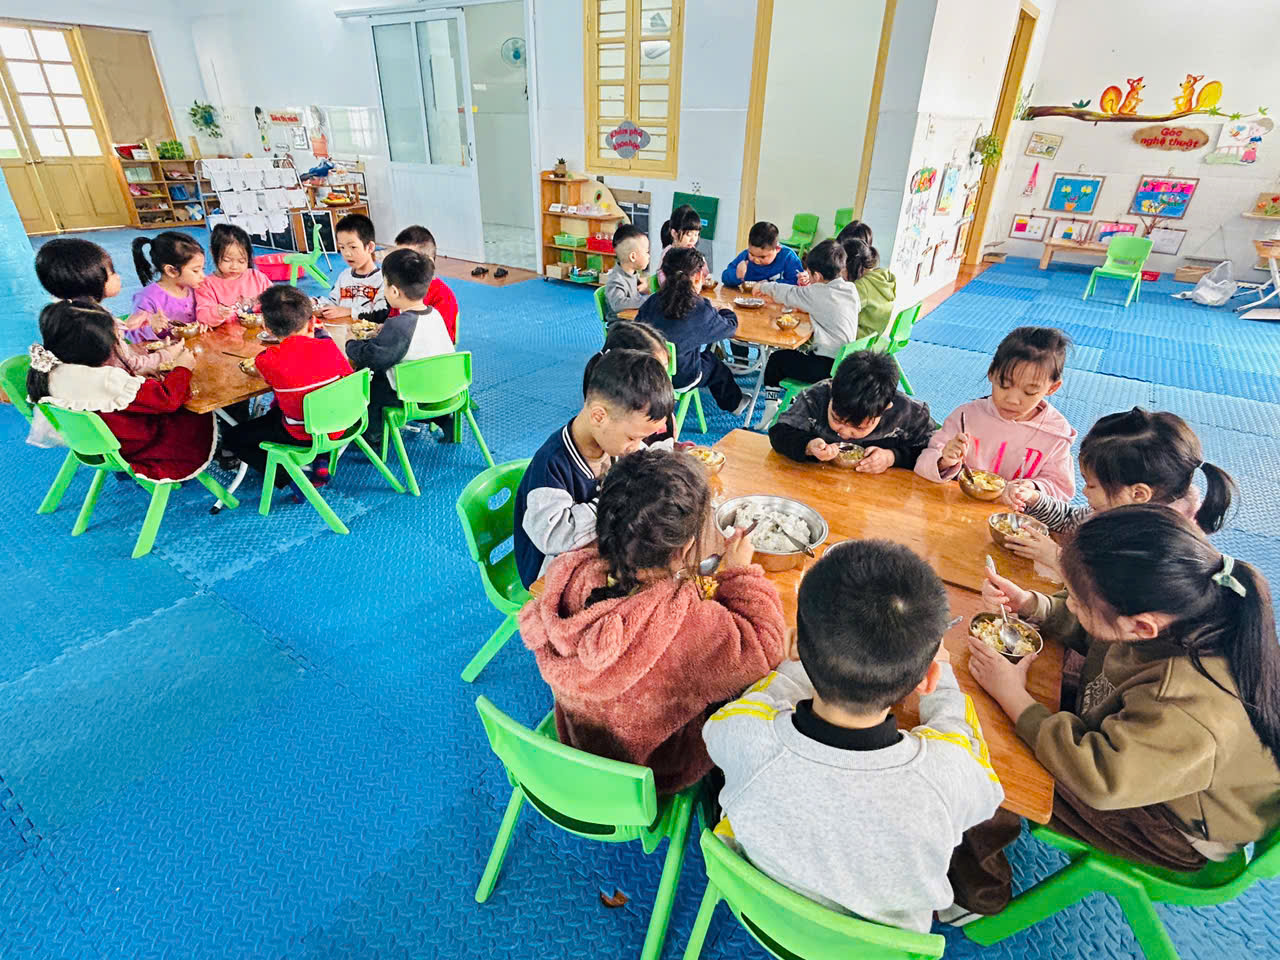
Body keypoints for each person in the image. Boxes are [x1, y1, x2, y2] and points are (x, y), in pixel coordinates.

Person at [703, 539, 1003, 932]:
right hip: (877, 945)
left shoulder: (744, 732)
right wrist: (943, 682)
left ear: (793, 646)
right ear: (927, 679)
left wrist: (805, 662)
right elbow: (981, 781)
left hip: (759, 909)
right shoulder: (944, 776)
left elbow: (749, 709)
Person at [971, 505, 1280, 876]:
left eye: (1076, 601)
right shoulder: (1176, 614)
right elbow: (1099, 632)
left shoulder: (1186, 706)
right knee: (1002, 706)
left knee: (989, 760)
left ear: (1142, 627)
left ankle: (981, 887)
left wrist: (1015, 698)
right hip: (1140, 754)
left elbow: (1100, 778)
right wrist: (1033, 605)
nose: (1070, 604)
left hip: (1164, 824)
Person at [520, 447, 786, 794]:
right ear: (685, 549)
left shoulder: (568, 578)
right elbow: (767, 649)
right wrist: (739, 573)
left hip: (576, 743)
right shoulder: (689, 625)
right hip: (652, 771)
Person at [1001, 408, 1236, 577]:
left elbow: (1106, 599)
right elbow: (1070, 520)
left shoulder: (1159, 549)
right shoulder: (1117, 509)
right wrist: (1035, 500)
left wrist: (1057, 558)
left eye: (1091, 485)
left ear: (1138, 494)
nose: (1084, 491)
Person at [513, 349, 674, 588]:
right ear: (599, 417)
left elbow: (642, 459)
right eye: (632, 437)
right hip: (552, 573)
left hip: (598, 545)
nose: (637, 446)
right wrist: (616, 501)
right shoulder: (551, 466)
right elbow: (553, 536)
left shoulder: (612, 441)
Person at [25, 299, 215, 481]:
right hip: (139, 448)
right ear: (92, 349)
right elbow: (168, 400)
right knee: (195, 411)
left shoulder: (52, 370)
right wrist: (183, 368)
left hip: (95, 444)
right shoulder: (106, 380)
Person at [915, 326, 1077, 501]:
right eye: (1004, 385)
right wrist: (944, 461)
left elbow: (1061, 489)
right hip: (959, 506)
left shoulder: (1056, 433)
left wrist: (1032, 489)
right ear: (991, 372)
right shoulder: (967, 416)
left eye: (1029, 392)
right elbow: (923, 463)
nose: (1012, 400)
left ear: (1052, 388)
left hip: (1014, 516)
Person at [221, 285, 353, 490]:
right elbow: (347, 377)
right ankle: (322, 459)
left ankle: (289, 479)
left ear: (266, 328)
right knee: (305, 401)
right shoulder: (328, 346)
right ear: (312, 322)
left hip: (300, 433)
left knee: (233, 437)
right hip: (340, 424)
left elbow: (267, 370)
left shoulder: (268, 360)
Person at [330, 248, 453, 440]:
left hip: (413, 394)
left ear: (394, 291)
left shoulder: (400, 325)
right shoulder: (433, 314)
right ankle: (444, 419)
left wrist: (351, 343)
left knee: (371, 384)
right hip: (445, 387)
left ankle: (374, 435)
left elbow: (372, 357)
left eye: (384, 285)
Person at [33, 237, 183, 376]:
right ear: (91, 280)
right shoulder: (95, 325)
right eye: (112, 273)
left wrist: (143, 342)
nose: (118, 277)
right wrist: (167, 354)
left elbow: (117, 355)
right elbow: (130, 367)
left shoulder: (69, 313)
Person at [768, 351, 937, 472]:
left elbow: (933, 455)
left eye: (859, 428)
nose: (845, 434)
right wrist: (808, 445)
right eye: (837, 420)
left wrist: (892, 457)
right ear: (832, 391)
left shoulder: (910, 413)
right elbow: (779, 433)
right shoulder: (815, 398)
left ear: (885, 409)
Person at [755, 239, 861, 419]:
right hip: (845, 365)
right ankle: (785, 402)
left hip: (825, 368)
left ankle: (771, 408)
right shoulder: (850, 289)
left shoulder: (818, 293)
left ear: (817, 276)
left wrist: (762, 286)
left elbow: (789, 293)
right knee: (795, 355)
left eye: (809, 274)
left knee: (776, 360)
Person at [636, 246, 747, 415]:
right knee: (714, 365)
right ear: (698, 277)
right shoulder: (700, 308)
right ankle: (735, 404)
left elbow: (637, 329)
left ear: (664, 274)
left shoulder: (652, 301)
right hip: (680, 379)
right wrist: (726, 311)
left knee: (698, 353)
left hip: (646, 372)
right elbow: (729, 327)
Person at [581, 320, 676, 447]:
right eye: (655, 372)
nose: (662, 380)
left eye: (664, 370)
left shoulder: (653, 406)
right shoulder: (617, 427)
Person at [193, 223, 273, 328]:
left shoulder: (258, 278)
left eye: (241, 261)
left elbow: (275, 300)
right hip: (226, 335)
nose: (234, 267)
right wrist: (217, 313)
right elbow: (202, 317)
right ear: (213, 253)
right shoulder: (207, 285)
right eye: (227, 260)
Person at [391, 225, 459, 342]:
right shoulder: (400, 288)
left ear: (429, 264)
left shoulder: (442, 295)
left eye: (407, 262)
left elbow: (439, 338)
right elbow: (393, 319)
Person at [130, 231, 206, 334]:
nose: (203, 276)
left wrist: (206, 321)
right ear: (171, 271)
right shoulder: (146, 298)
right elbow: (132, 333)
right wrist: (152, 329)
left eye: (203, 269)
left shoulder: (195, 290)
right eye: (196, 270)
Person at [318, 213, 385, 322]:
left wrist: (349, 311)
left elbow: (381, 313)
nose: (346, 253)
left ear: (370, 247)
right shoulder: (344, 276)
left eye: (353, 247)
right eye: (342, 247)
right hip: (342, 329)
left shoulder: (382, 280)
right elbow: (333, 302)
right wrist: (317, 304)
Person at [842, 237, 897, 341]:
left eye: (841, 267)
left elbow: (840, 311)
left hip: (855, 341)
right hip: (871, 338)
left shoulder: (862, 287)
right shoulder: (881, 276)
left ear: (851, 265)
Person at [720, 221, 804, 288]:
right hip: (748, 299)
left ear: (777, 249)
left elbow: (795, 283)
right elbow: (724, 277)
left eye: (762, 257)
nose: (756, 260)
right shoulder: (745, 257)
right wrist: (736, 274)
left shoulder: (788, 257)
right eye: (752, 254)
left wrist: (768, 286)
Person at [602, 223, 651, 323]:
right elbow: (618, 304)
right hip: (621, 328)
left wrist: (646, 289)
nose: (648, 256)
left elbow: (637, 294)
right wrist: (648, 300)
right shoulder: (616, 280)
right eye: (646, 252)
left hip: (633, 322)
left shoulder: (632, 274)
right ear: (633, 257)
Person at [656, 203, 702, 284]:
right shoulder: (667, 254)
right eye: (689, 234)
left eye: (696, 234)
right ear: (674, 233)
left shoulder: (694, 253)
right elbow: (661, 279)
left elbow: (703, 274)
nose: (693, 239)